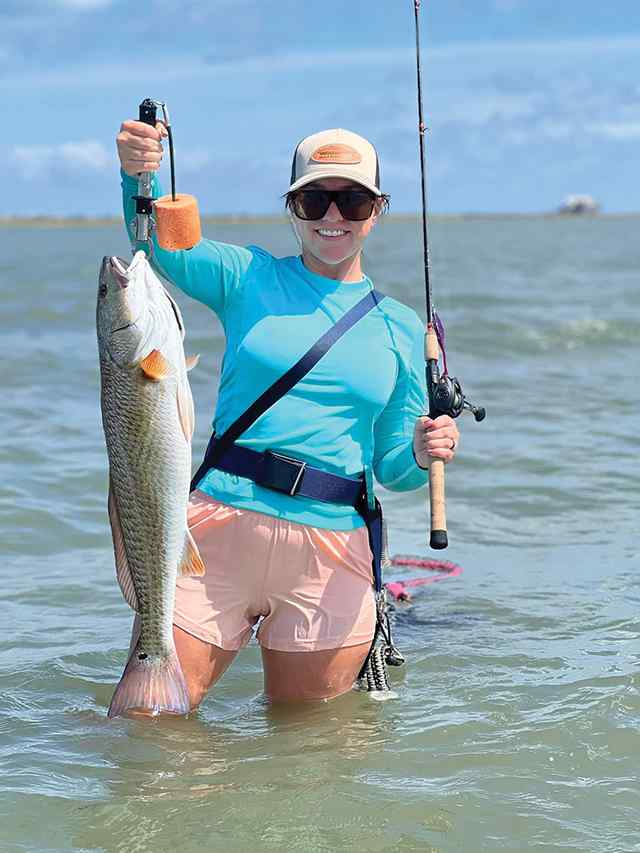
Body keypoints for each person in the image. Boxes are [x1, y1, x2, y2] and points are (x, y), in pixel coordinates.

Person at [115, 119, 460, 710]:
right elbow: (156, 248)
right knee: (148, 718)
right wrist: (137, 174)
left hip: (332, 547)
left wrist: (422, 452)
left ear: (377, 211)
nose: (333, 216)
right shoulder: (246, 276)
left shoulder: (403, 327)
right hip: (215, 531)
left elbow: (392, 469)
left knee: (308, 750)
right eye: (313, 200)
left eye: (353, 201)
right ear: (292, 209)